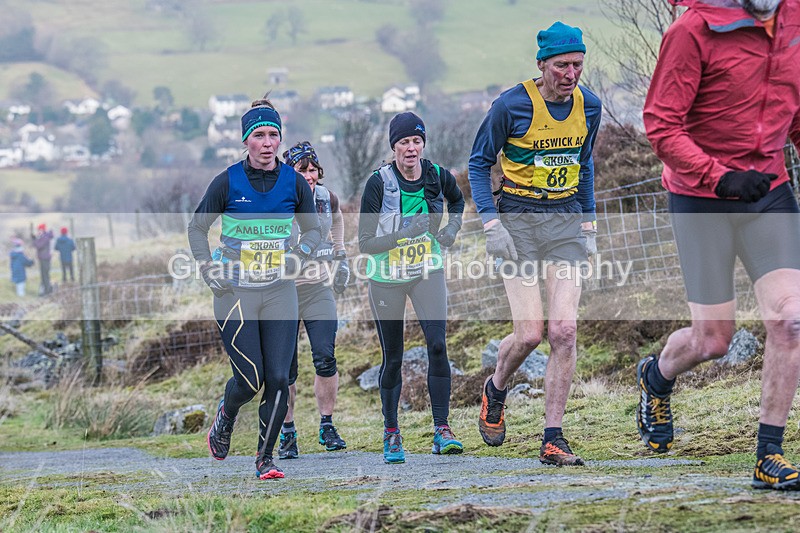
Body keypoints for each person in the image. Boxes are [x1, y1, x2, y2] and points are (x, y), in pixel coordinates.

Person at [639, 0, 800, 490]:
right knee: (713, 340)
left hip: (767, 191)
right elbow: (661, 125)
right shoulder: (693, 30)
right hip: (700, 197)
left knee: (790, 320)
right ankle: (656, 376)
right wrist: (720, 176)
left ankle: (768, 455)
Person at [468, 21, 602, 466]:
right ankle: (496, 389)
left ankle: (553, 437)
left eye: (577, 64)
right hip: (518, 221)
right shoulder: (510, 106)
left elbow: (584, 165)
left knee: (564, 330)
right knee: (529, 333)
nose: (571, 74)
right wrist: (491, 224)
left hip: (565, 220)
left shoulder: (590, 106)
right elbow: (478, 164)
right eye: (562, 65)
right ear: (542, 64)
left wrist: (589, 224)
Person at [188, 98, 321, 480]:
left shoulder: (294, 182)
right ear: (246, 140)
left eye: (273, 135)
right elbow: (197, 228)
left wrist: (300, 255)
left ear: (280, 139)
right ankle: (227, 414)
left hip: (279, 289)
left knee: (279, 378)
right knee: (249, 379)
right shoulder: (227, 181)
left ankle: (265, 458)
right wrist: (207, 268)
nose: (267, 143)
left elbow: (313, 230)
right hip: (235, 292)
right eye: (259, 135)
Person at [359, 111, 465, 464]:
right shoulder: (378, 184)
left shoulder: (436, 175)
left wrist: (451, 230)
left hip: (426, 270)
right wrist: (405, 233)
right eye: (404, 142)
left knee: (437, 344)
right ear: (394, 147)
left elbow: (458, 201)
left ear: (423, 144)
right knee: (394, 356)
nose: (411, 148)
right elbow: (365, 243)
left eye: (416, 141)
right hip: (386, 278)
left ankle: (442, 430)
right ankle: (392, 432)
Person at [278, 141, 350, 460]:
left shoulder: (326, 198)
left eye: (313, 170)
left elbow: (338, 218)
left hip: (318, 288)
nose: (308, 175)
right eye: (301, 170)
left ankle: (327, 425)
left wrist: (341, 256)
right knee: (285, 368)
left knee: (326, 357)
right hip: (282, 292)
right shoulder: (278, 200)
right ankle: (287, 432)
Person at [31, 223, 54, 295]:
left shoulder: (45, 237)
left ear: (43, 230)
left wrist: (34, 239)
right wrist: (35, 239)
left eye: (39, 230)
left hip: (45, 258)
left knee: (45, 275)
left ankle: (47, 291)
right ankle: (46, 290)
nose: (38, 231)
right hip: (43, 258)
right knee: (44, 275)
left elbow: (38, 245)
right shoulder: (43, 236)